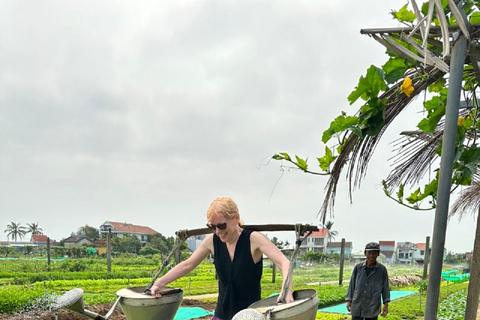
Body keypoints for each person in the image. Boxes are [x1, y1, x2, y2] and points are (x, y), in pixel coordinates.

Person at [150, 197, 294, 320]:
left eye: (222, 225)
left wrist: (286, 290)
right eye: (212, 227)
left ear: (236, 218)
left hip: (249, 315)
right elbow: (187, 265)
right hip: (221, 314)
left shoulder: (253, 239)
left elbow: (284, 262)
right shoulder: (212, 241)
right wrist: (159, 283)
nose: (218, 231)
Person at [346, 242, 390, 320]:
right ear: (365, 253)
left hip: (373, 306)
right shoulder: (358, 268)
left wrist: (386, 305)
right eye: (369, 253)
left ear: (378, 254)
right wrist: (349, 300)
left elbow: (385, 288)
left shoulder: (382, 270)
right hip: (358, 304)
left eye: (374, 253)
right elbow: (352, 285)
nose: (371, 256)